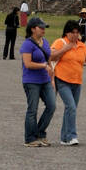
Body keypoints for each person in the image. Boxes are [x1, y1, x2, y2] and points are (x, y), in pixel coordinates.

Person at [50, 19, 86, 145]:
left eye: (76, 32)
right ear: (66, 33)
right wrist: (65, 48)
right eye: (72, 32)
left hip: (77, 82)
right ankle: (72, 136)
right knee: (71, 107)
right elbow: (51, 56)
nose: (74, 35)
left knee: (71, 109)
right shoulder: (60, 42)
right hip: (62, 80)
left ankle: (64, 137)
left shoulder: (82, 46)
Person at [20, 18, 55, 147]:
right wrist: (43, 66)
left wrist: (52, 79)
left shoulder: (45, 42)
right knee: (32, 109)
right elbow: (28, 64)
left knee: (52, 106)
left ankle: (40, 133)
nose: (43, 30)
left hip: (45, 80)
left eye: (44, 27)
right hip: (31, 81)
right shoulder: (27, 44)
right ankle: (29, 138)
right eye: (41, 28)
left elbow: (49, 62)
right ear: (33, 29)